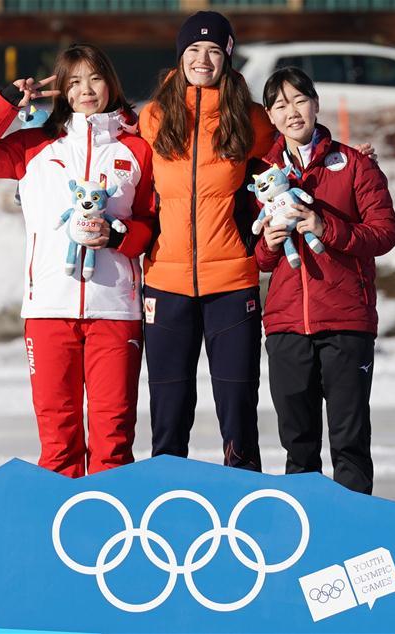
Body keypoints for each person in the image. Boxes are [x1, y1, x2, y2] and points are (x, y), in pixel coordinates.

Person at [0, 44, 155, 478]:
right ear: (60, 89)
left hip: (116, 309)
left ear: (110, 83)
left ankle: (112, 537)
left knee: (113, 440)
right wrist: (8, 103)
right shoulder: (34, 146)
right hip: (47, 309)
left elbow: (152, 227)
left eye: (94, 78)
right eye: (74, 81)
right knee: (58, 441)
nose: (85, 90)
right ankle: (62, 537)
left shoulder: (137, 149)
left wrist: (117, 235)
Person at [139, 11, 275, 471]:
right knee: (169, 412)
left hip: (232, 282)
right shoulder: (154, 116)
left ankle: (244, 509)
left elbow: (294, 156)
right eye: (194, 50)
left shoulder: (249, 118)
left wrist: (341, 153)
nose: (203, 58)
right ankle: (166, 503)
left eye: (214, 50)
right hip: (165, 282)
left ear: (227, 57)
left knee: (238, 409)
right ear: (180, 58)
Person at [255, 67, 395, 494]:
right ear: (270, 116)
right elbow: (261, 258)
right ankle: (306, 536)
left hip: (346, 322)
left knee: (349, 441)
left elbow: (385, 233)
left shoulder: (355, 165)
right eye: (280, 105)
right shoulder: (262, 174)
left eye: (299, 100)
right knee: (297, 444)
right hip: (285, 326)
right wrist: (269, 241)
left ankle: (355, 534)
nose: (292, 112)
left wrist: (324, 225)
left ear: (316, 104)